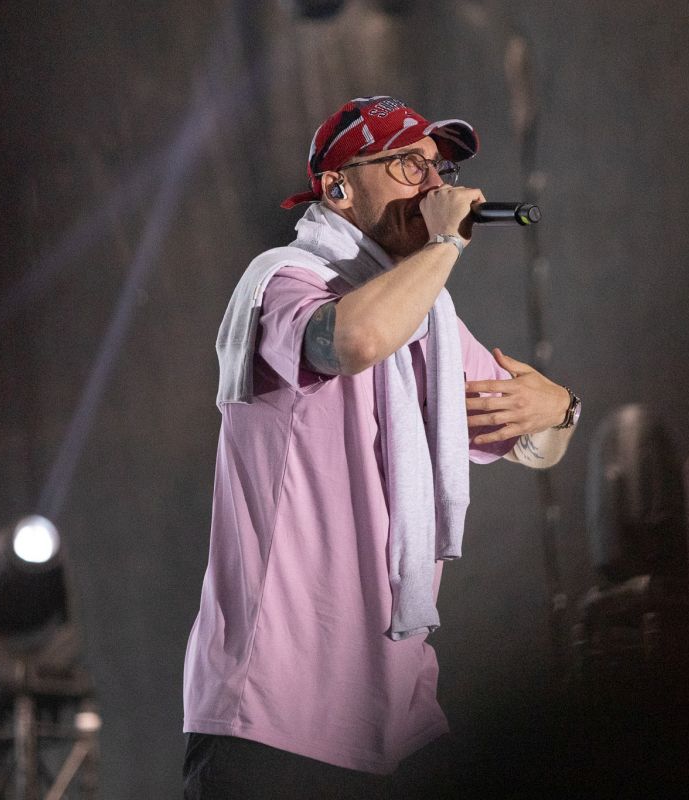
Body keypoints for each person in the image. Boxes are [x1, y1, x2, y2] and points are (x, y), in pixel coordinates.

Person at [182, 96, 581, 798]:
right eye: (406, 164)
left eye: (438, 167)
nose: (432, 184)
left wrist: (560, 409)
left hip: (395, 718)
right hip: (274, 712)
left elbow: (536, 447)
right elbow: (356, 339)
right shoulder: (283, 283)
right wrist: (445, 244)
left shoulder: (429, 322)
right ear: (338, 188)